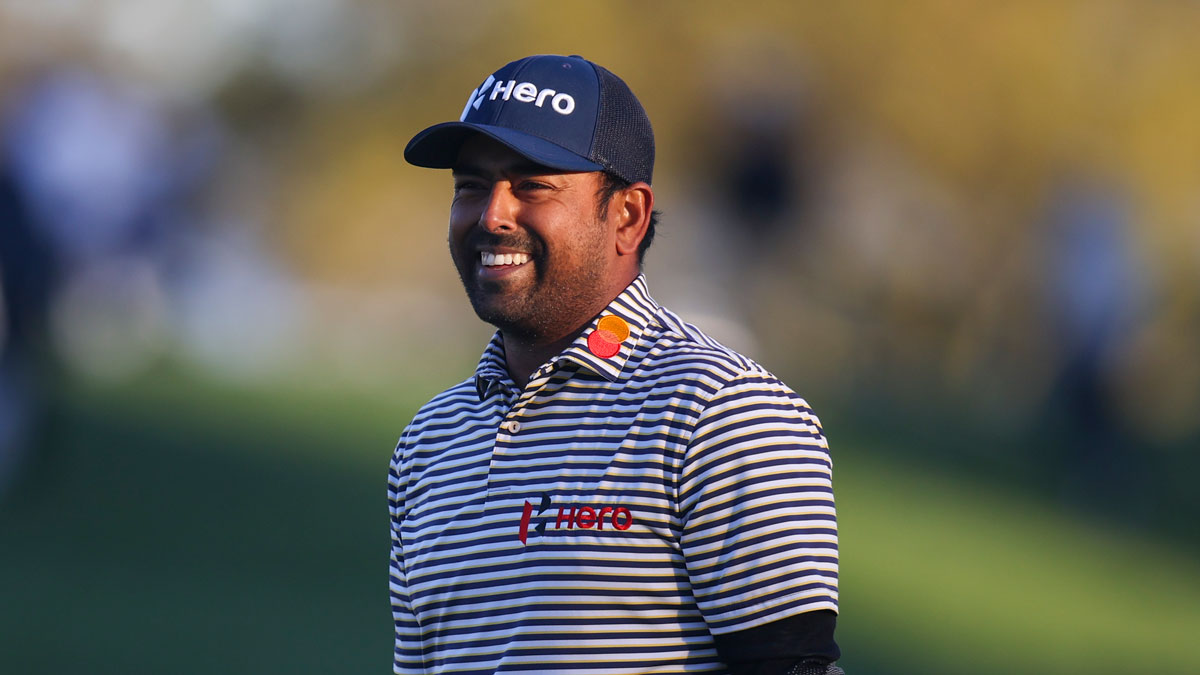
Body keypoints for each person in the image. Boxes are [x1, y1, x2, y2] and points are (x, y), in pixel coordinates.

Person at [391, 54, 843, 675]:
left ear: (627, 215)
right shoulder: (427, 444)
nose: (492, 213)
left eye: (533, 185)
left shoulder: (723, 412)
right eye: (470, 185)